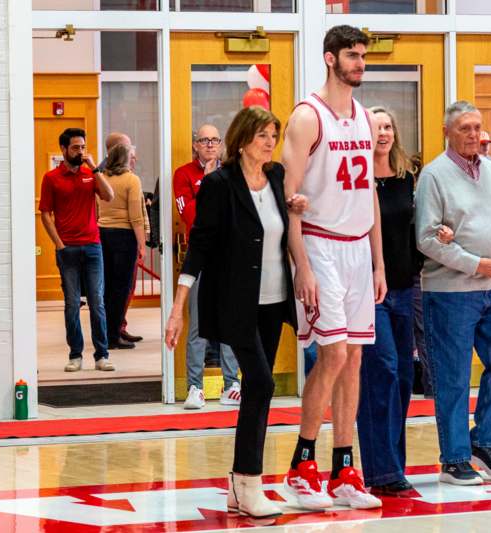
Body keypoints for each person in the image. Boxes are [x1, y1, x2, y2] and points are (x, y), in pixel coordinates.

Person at [164, 106, 305, 518]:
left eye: (273, 135)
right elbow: (201, 246)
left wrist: (296, 206)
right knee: (260, 383)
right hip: (236, 303)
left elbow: (281, 228)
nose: (269, 141)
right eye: (262, 134)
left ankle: (237, 487)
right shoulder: (219, 184)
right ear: (243, 139)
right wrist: (178, 306)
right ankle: (248, 480)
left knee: (257, 391)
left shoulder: (277, 176)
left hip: (274, 300)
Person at [282, 24, 384, 510]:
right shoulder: (307, 116)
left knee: (356, 357)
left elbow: (371, 198)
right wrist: (300, 264)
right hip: (320, 245)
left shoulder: (364, 117)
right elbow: (290, 199)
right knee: (334, 355)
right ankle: (302, 465)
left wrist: (379, 262)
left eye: (363, 55)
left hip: (359, 248)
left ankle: (344, 468)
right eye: (352, 55)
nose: (360, 62)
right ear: (329, 58)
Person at [415, 101, 491, 486]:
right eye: (464, 127)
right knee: (454, 377)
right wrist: (474, 262)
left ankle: (483, 441)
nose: (473, 134)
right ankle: (454, 458)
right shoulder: (434, 176)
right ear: (447, 131)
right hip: (450, 292)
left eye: (477, 127)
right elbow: (427, 239)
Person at [355, 106, 452, 496]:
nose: (384, 132)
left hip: (405, 286)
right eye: (376, 126)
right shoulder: (358, 180)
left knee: (402, 379)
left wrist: (438, 234)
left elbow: (418, 230)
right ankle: (382, 471)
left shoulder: (408, 178)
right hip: (368, 288)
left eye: (388, 126)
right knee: (383, 372)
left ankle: (391, 467)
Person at [173, 124, 242, 408]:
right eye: (204, 140)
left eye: (215, 140)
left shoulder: (231, 172)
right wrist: (209, 183)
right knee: (199, 325)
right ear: (195, 145)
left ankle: (232, 384)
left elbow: (235, 212)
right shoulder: (184, 174)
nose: (211, 144)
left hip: (227, 256)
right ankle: (195, 387)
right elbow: (190, 215)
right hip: (200, 257)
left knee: (229, 322)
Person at [39, 128, 115, 372]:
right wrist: (58, 244)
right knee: (72, 303)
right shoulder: (51, 178)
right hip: (67, 249)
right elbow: (45, 214)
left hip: (92, 246)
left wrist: (94, 168)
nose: (80, 151)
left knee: (97, 302)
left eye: (82, 147)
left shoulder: (89, 174)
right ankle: (75, 355)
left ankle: (102, 355)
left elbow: (109, 195)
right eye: (75, 147)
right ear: (63, 149)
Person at [97, 144, 146, 351]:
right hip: (124, 237)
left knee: (107, 287)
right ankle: (115, 335)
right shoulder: (131, 180)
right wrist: (142, 243)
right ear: (125, 159)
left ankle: (105, 335)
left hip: (102, 234)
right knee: (122, 288)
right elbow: (136, 216)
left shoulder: (102, 177)